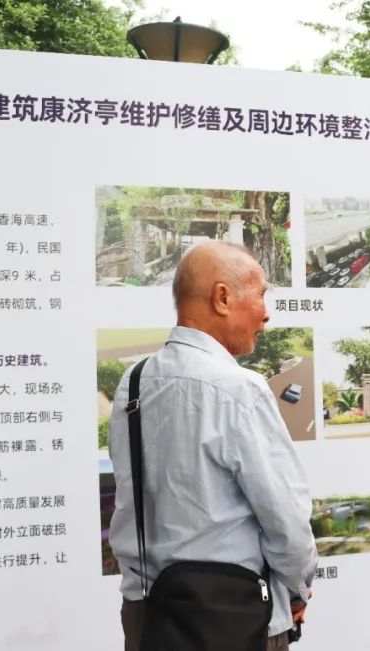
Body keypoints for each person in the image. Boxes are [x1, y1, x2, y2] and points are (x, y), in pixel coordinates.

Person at [108, 241, 317, 651]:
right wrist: (297, 589)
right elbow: (288, 524)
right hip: (232, 619)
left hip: (147, 618)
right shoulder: (240, 389)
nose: (266, 313)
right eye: (261, 294)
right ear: (222, 298)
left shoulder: (132, 382)